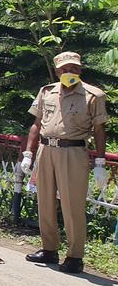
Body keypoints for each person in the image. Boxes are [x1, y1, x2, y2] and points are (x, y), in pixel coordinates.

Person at [22, 51, 108, 274]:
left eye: (74, 69)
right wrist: (28, 154)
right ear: (58, 70)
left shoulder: (93, 95)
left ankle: (75, 256)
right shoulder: (47, 92)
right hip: (45, 149)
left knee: (72, 205)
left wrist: (100, 162)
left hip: (73, 151)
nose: (70, 72)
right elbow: (36, 123)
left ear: (80, 70)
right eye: (65, 69)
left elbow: (99, 130)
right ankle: (49, 249)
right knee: (45, 201)